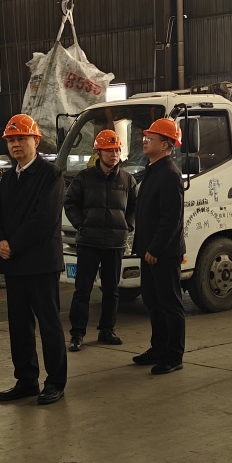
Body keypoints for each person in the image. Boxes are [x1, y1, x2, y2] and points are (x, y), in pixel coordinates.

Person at [0, 114, 68, 406]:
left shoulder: (51, 175)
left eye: (22, 138)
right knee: (19, 325)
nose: (16, 144)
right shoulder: (10, 176)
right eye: (11, 140)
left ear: (36, 140)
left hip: (40, 262)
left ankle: (55, 382)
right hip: (14, 262)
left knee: (48, 324)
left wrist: (13, 244)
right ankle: (26, 379)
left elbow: (44, 218)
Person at [65, 129, 137, 351]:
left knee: (111, 290)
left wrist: (127, 226)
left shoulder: (127, 180)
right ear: (98, 152)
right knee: (82, 290)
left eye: (116, 150)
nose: (113, 154)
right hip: (88, 242)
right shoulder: (84, 178)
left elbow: (135, 207)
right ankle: (77, 334)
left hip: (115, 243)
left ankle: (107, 330)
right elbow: (70, 202)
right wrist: (81, 224)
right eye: (109, 150)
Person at [131, 117, 186, 376]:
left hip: (163, 253)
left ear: (165, 145)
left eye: (150, 138)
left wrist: (155, 248)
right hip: (149, 251)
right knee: (153, 302)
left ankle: (174, 355)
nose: (145, 141)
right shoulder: (152, 170)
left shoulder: (170, 175)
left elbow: (171, 219)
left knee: (170, 305)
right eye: (146, 137)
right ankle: (158, 347)